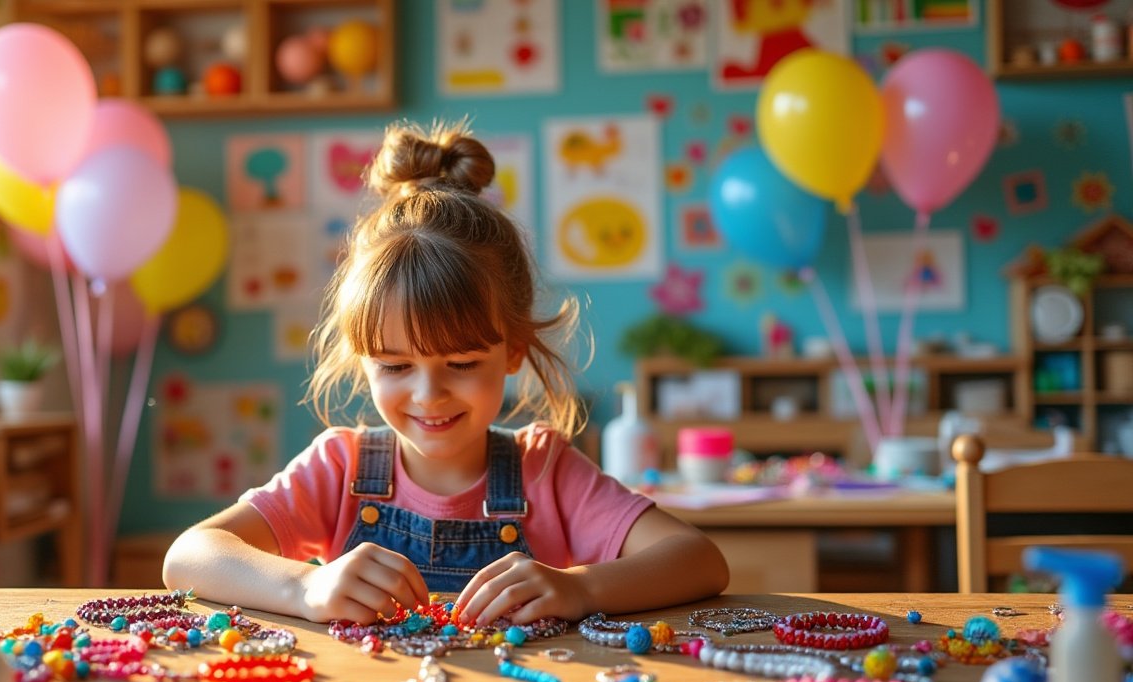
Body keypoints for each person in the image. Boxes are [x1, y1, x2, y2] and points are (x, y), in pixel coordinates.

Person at [163, 120, 728, 626]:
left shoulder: (546, 471)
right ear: (362, 358)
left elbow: (700, 560)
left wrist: (581, 587)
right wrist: (306, 586)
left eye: (461, 363)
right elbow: (189, 555)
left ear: (513, 350)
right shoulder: (339, 467)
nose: (429, 394)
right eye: (395, 365)